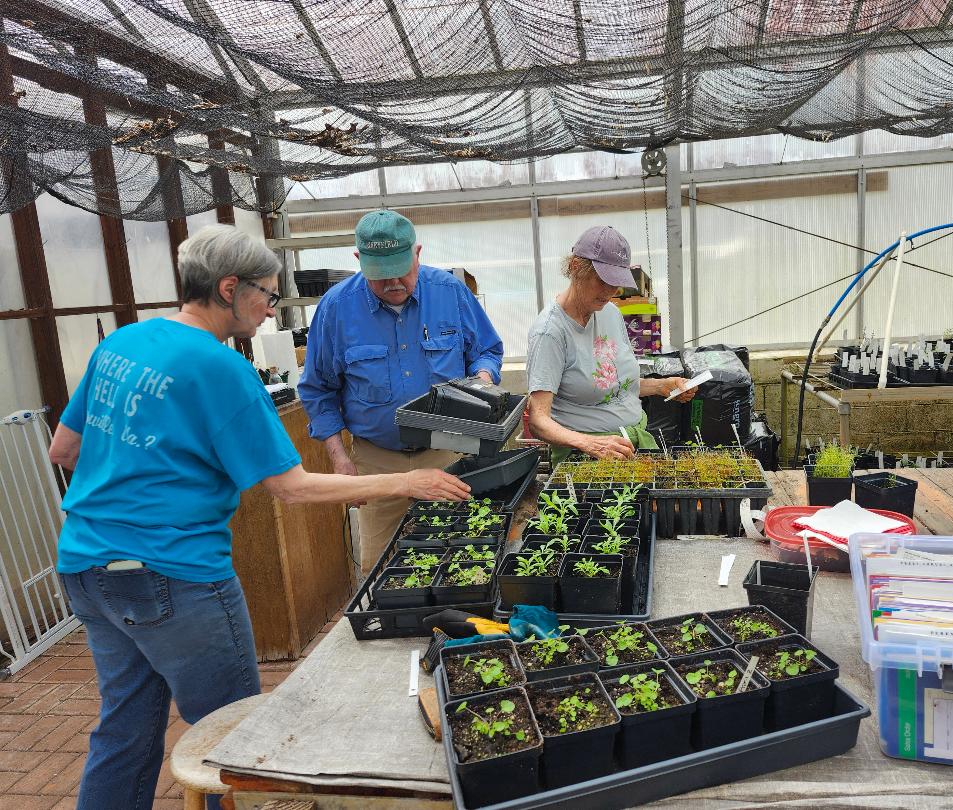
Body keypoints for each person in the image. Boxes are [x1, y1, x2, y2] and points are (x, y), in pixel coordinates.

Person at [48, 225, 469, 810]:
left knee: (124, 729)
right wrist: (407, 481)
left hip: (88, 565)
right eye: (268, 296)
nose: (271, 310)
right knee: (237, 742)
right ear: (229, 289)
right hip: (175, 573)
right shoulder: (222, 368)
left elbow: (63, 451)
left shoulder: (121, 344)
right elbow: (290, 488)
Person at [299, 209, 504, 571]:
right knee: (383, 567)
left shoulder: (450, 292)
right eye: (381, 276)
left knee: (459, 555)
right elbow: (318, 390)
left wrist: (482, 382)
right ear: (358, 261)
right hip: (378, 462)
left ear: (418, 253)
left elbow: (486, 350)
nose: (393, 282)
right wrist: (340, 461)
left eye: (401, 270)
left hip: (448, 450)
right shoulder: (335, 309)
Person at [526, 225, 697, 466]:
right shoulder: (551, 333)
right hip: (586, 457)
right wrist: (590, 444)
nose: (610, 291)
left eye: (616, 282)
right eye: (603, 281)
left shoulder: (610, 313)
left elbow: (616, 385)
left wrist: (662, 386)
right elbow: (538, 420)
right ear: (576, 267)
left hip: (631, 444)